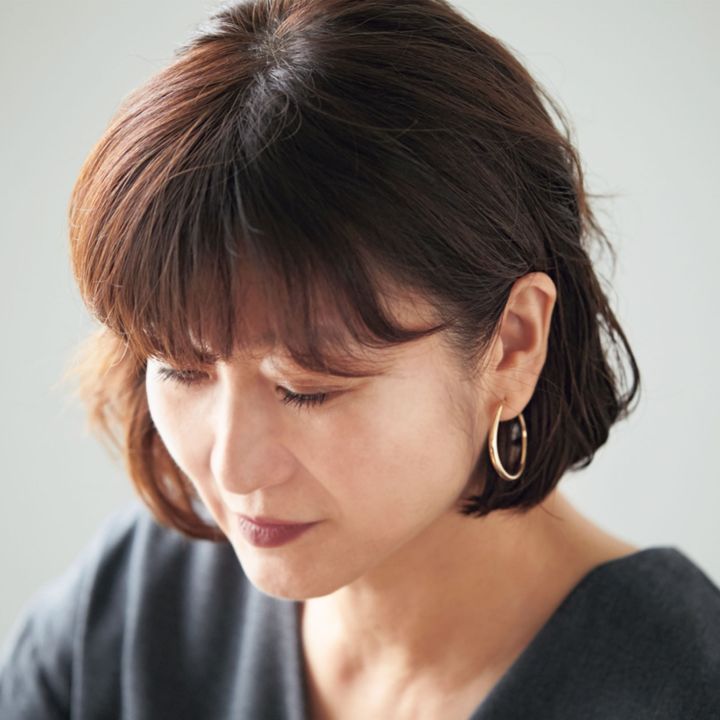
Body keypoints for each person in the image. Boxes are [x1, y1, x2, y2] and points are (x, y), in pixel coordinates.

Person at [1, 0, 719, 718]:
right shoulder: (135, 603)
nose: (232, 471)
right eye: (181, 369)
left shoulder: (681, 690)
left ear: (512, 344)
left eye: (305, 389)